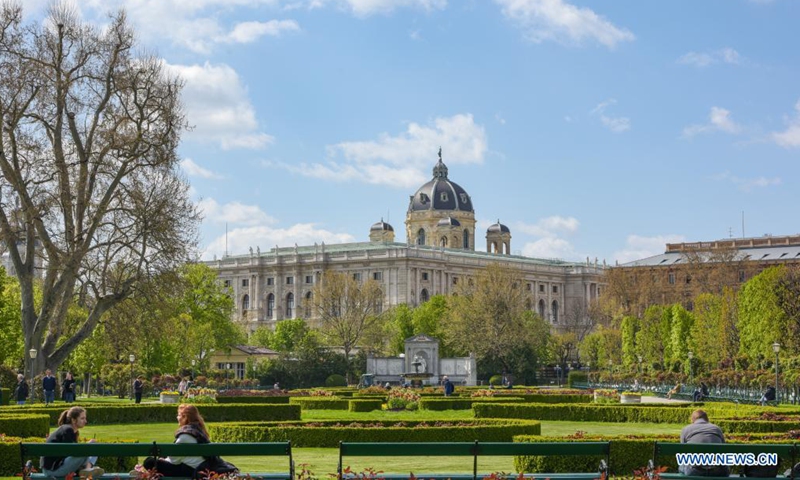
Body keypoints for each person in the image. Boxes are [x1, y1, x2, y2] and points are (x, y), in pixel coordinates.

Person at [140, 404, 210, 477]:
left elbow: (174, 461)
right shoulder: (199, 430)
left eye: (178, 415)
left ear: (185, 417)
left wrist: (162, 460)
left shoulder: (185, 436)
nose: (177, 417)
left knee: (149, 462)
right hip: (199, 468)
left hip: (190, 471)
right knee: (163, 455)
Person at [41, 406, 104, 478]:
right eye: (82, 418)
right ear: (73, 420)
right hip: (53, 471)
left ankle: (87, 469)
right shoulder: (67, 430)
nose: (85, 421)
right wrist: (87, 446)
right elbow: (73, 452)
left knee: (91, 445)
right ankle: (86, 469)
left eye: (85, 418)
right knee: (90, 446)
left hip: (55, 468)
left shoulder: (70, 430)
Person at [679, 409, 729, 477]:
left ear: (693, 419)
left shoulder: (686, 429)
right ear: (706, 419)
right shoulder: (717, 429)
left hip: (694, 470)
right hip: (717, 471)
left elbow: (683, 451)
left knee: (682, 465)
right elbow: (724, 449)